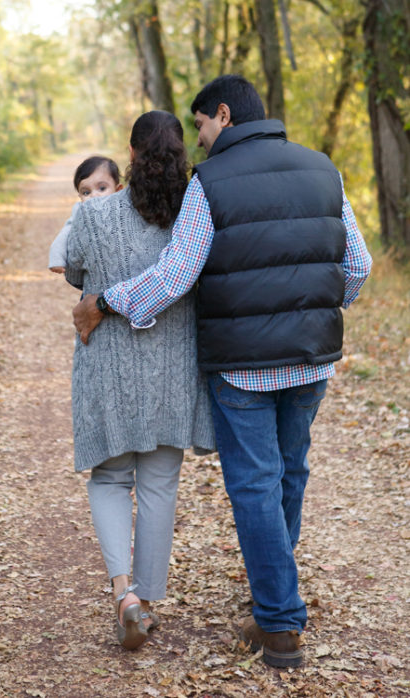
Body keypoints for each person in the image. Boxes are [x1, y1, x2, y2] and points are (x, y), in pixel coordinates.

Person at [73, 75, 372, 668]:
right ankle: (274, 601)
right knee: (290, 473)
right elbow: (357, 267)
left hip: (243, 368)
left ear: (225, 115)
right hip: (312, 361)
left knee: (256, 485)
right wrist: (312, 314)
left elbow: (176, 276)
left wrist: (105, 302)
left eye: (203, 125)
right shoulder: (323, 169)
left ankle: (280, 622)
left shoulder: (211, 183)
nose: (200, 140)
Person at [64, 111, 215, 650]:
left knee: (109, 480)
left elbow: (76, 271)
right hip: (173, 368)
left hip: (107, 362)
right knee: (158, 485)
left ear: (129, 156)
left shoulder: (93, 213)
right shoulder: (196, 212)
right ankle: (147, 602)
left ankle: (124, 594)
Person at [48, 155, 122, 273]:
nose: (94, 195)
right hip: (95, 274)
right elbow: (65, 233)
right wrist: (56, 258)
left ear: (118, 190)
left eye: (102, 188)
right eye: (86, 192)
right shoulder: (81, 213)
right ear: (80, 197)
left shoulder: (124, 209)